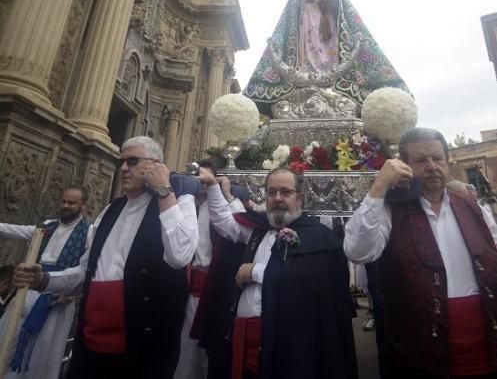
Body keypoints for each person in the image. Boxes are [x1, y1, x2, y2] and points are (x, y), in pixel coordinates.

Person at [13, 136, 199, 379]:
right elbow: (86, 274)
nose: (123, 168)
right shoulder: (109, 211)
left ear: (155, 164)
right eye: (121, 162)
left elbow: (180, 256)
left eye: (132, 161)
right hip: (91, 345)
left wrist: (164, 190)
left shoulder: (180, 202)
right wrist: (45, 280)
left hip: (141, 348)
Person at [344, 127, 497, 379]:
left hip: (485, 351)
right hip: (421, 356)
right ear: (403, 166)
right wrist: (380, 186)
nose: (431, 166)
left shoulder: (473, 207)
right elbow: (357, 251)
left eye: (437, 158)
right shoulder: (391, 211)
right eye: (420, 160)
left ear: (447, 161)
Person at [198, 164, 358, 379]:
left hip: (293, 342)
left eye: (285, 192)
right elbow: (225, 223)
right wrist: (212, 187)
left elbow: (314, 281)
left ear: (299, 197)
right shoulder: (257, 227)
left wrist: (257, 272)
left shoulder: (320, 237)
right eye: (271, 192)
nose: (278, 198)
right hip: (246, 340)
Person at [244, 0, 409, 116]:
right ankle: (307, 74)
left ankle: (329, 80)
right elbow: (295, 3)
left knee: (327, 45)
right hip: (306, 18)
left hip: (327, 20)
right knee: (308, 45)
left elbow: (339, 2)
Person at [0, 185, 91, 379]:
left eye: (72, 203)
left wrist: (69, 290)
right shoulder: (48, 226)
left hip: (57, 301)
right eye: (63, 201)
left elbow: (86, 270)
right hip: (29, 291)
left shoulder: (89, 233)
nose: (65, 206)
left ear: (83, 206)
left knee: (40, 356)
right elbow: (16, 231)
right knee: (9, 340)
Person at [173, 163, 246, 379]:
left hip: (214, 290)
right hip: (184, 288)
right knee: (185, 352)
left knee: (210, 353)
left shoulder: (224, 205)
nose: (200, 185)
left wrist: (224, 192)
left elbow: (240, 228)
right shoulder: (185, 204)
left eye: (204, 180)